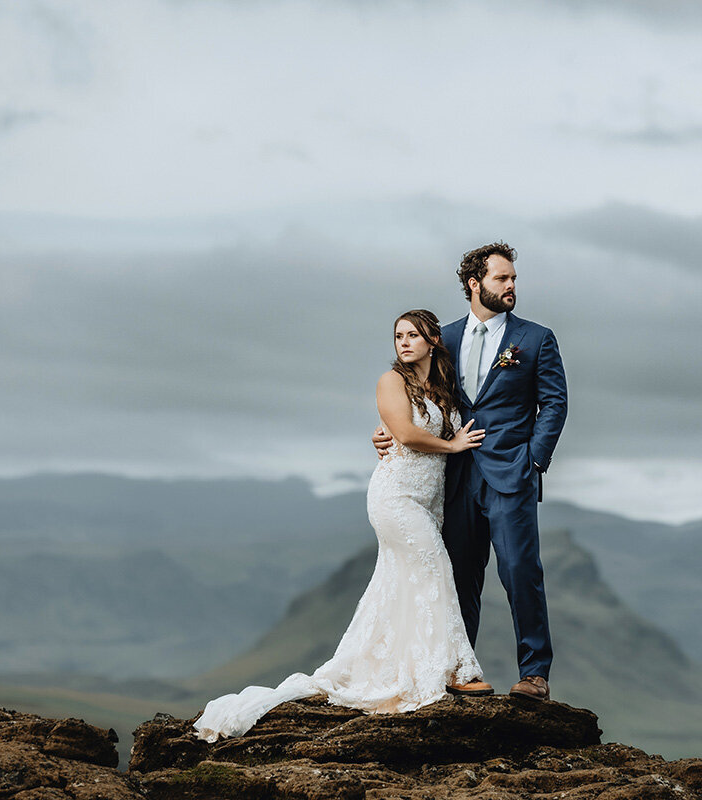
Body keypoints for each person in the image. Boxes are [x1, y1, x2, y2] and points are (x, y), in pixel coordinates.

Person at [193, 309, 492, 742]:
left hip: (430, 501)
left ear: (433, 340)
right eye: (398, 336)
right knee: (434, 569)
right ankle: (456, 671)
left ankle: (411, 665)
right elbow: (405, 434)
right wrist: (453, 443)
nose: (403, 342)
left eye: (412, 335)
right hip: (396, 496)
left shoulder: (441, 387)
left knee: (401, 584)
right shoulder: (391, 381)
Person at [374, 242, 568, 701]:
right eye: (502, 279)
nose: (512, 286)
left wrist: (533, 460)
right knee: (459, 574)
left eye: (514, 279)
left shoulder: (536, 339)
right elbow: (413, 392)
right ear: (474, 284)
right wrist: (386, 431)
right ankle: (458, 671)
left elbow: (554, 403)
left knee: (521, 569)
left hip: (511, 473)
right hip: (455, 476)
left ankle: (534, 674)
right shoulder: (446, 338)